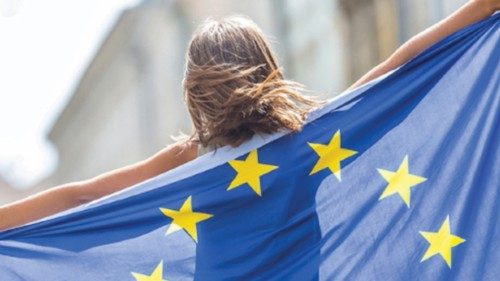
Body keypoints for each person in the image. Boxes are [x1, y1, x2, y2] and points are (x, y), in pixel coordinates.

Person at [0, 0, 498, 231]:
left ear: (195, 90)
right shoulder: (312, 131)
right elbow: (400, 63)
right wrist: (480, 8)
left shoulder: (187, 159)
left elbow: (83, 193)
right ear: (266, 66)